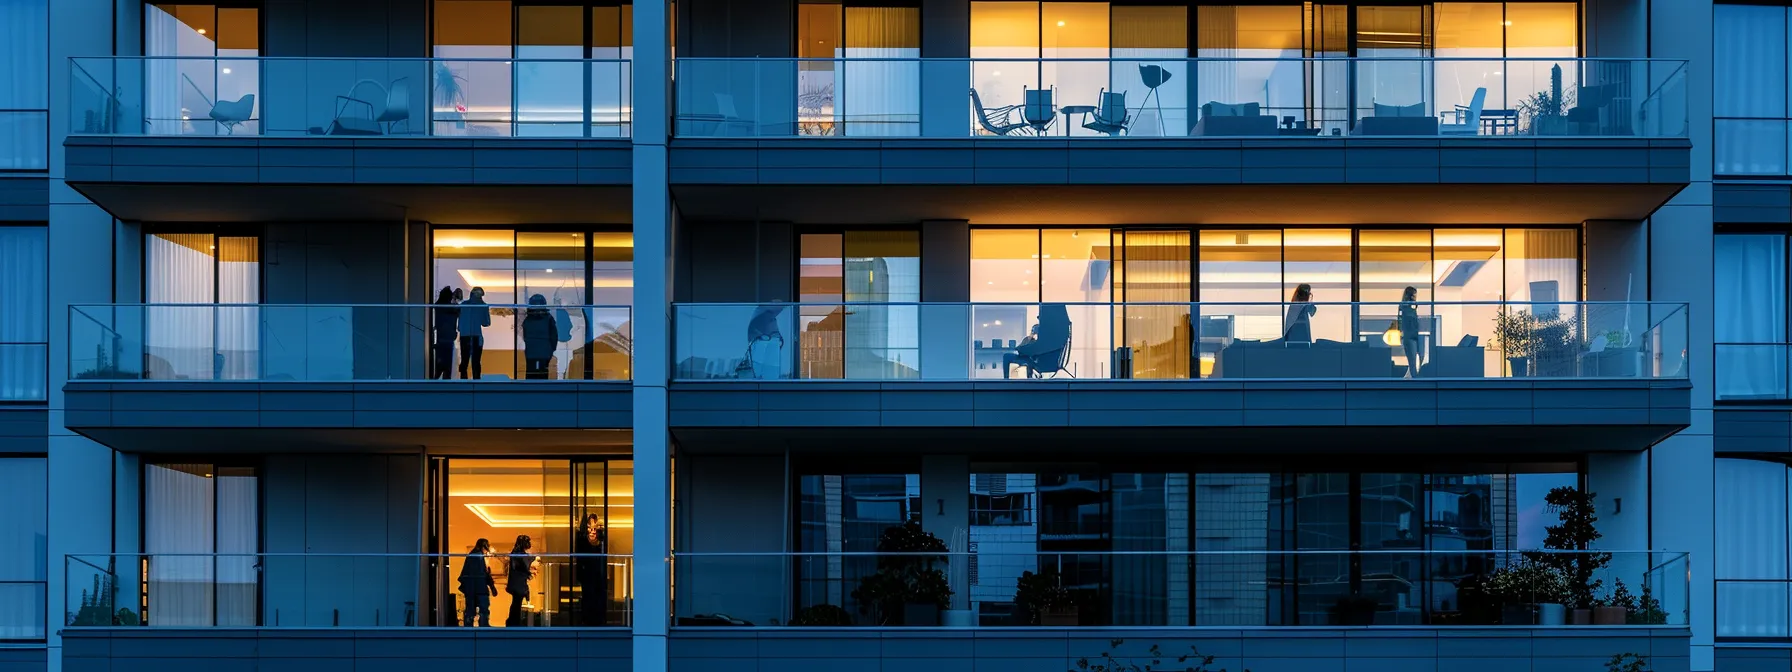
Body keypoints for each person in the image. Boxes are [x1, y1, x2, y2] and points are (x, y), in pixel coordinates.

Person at [575, 513, 608, 626]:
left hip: (599, 575)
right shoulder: (582, 541)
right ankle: (587, 620)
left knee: (598, 597)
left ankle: (598, 620)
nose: (593, 531)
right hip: (587, 575)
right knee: (588, 597)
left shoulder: (601, 542)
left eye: (595, 528)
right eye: (590, 528)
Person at [457, 538, 497, 627]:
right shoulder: (479, 557)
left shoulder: (471, 556)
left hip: (471, 588)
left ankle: (469, 627)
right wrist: (492, 586)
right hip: (479, 588)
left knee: (470, 609)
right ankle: (483, 625)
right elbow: (483, 573)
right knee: (483, 609)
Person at [522, 294, 559, 380]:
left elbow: (525, 335)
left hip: (532, 352)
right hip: (543, 353)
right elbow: (554, 336)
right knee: (542, 377)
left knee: (531, 376)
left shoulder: (528, 319)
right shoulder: (548, 319)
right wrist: (551, 349)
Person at [505, 534, 539, 627]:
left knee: (516, 603)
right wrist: (533, 558)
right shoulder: (519, 554)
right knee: (516, 603)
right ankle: (513, 622)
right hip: (518, 583)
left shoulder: (516, 553)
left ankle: (513, 621)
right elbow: (524, 565)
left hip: (517, 583)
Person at [457, 287, 491, 379]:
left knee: (464, 361)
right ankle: (477, 383)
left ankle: (463, 383)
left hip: (464, 336)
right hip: (476, 336)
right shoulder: (483, 306)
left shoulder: (463, 305)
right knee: (476, 362)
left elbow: (459, 326)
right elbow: (486, 323)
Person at [431, 287, 460, 380]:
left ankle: (434, 382)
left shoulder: (438, 306)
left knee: (439, 364)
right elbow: (458, 311)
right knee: (447, 367)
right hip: (449, 337)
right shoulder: (450, 308)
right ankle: (445, 385)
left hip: (440, 337)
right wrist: (455, 300)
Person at [1398, 286, 1424, 378]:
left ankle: (1416, 376)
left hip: (1414, 334)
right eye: (1414, 295)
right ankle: (1415, 379)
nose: (1415, 297)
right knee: (1412, 360)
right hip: (1409, 336)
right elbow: (1402, 321)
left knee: (1421, 356)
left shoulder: (1412, 308)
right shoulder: (1404, 308)